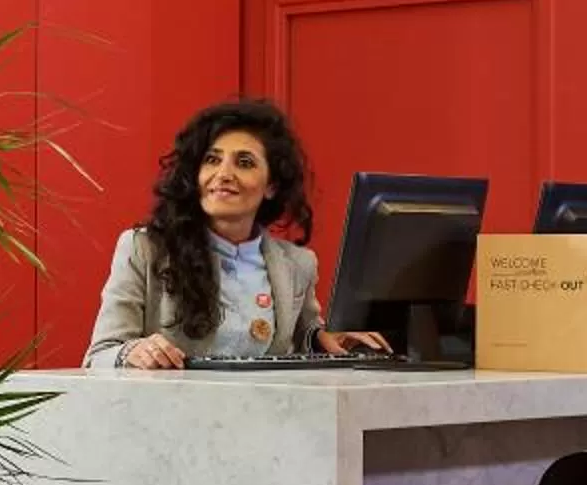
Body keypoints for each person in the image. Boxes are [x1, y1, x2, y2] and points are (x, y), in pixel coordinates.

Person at [83, 97, 388, 369]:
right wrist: (133, 352)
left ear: (272, 185)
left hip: (268, 411)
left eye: (244, 162)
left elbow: (304, 336)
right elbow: (100, 355)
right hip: (171, 412)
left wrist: (328, 341)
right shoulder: (144, 248)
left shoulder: (298, 264)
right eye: (212, 160)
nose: (223, 174)